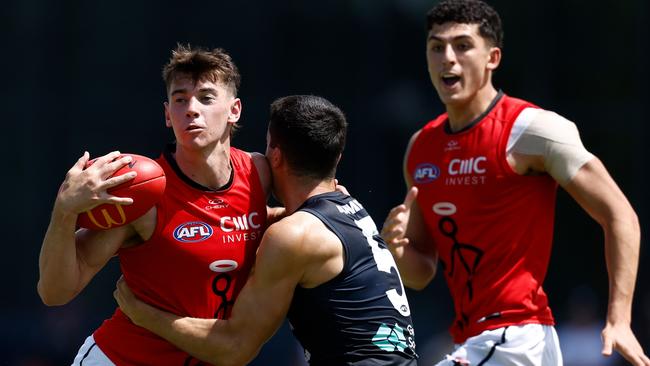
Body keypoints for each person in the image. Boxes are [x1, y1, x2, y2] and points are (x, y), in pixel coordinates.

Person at [380, 0, 649, 365]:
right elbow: (421, 273)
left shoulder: (531, 129)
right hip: (475, 340)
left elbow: (619, 215)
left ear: (492, 58)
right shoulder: (421, 148)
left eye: (462, 45)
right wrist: (396, 250)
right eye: (436, 46)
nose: (447, 57)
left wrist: (619, 319)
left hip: (517, 338)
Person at [113, 95, 419, 366]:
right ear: (336, 157)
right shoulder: (347, 208)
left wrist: (145, 315)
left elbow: (234, 348)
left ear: (275, 155)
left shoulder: (293, 236)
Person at [37, 44, 275, 365]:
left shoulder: (259, 174)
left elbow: (296, 213)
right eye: (180, 99)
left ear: (235, 110)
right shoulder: (143, 193)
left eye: (206, 97)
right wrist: (64, 212)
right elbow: (54, 294)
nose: (191, 109)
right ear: (167, 114)